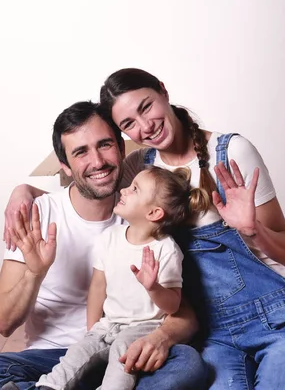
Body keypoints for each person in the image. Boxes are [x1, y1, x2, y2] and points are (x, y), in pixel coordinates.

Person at [6, 68, 285, 389]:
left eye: (146, 107)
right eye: (128, 124)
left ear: (163, 91)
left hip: (274, 319)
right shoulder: (140, 167)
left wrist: (253, 229)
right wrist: (26, 192)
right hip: (213, 336)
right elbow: (92, 188)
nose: (145, 127)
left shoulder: (231, 152)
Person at [0, 101, 207, 390]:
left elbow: (184, 314)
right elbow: (2, 323)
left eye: (104, 145)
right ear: (64, 166)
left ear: (121, 150)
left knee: (188, 364)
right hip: (53, 360)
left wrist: (159, 339)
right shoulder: (39, 214)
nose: (97, 161)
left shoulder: (144, 214)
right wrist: (34, 274)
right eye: (80, 152)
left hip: (127, 354)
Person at [26, 166, 209, 390]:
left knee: (123, 348)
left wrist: (153, 287)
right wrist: (92, 330)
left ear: (153, 213)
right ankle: (47, 387)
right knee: (79, 350)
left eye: (134, 189)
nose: (123, 190)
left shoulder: (166, 249)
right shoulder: (109, 238)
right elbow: (98, 287)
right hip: (109, 324)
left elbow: (173, 305)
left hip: (145, 326)